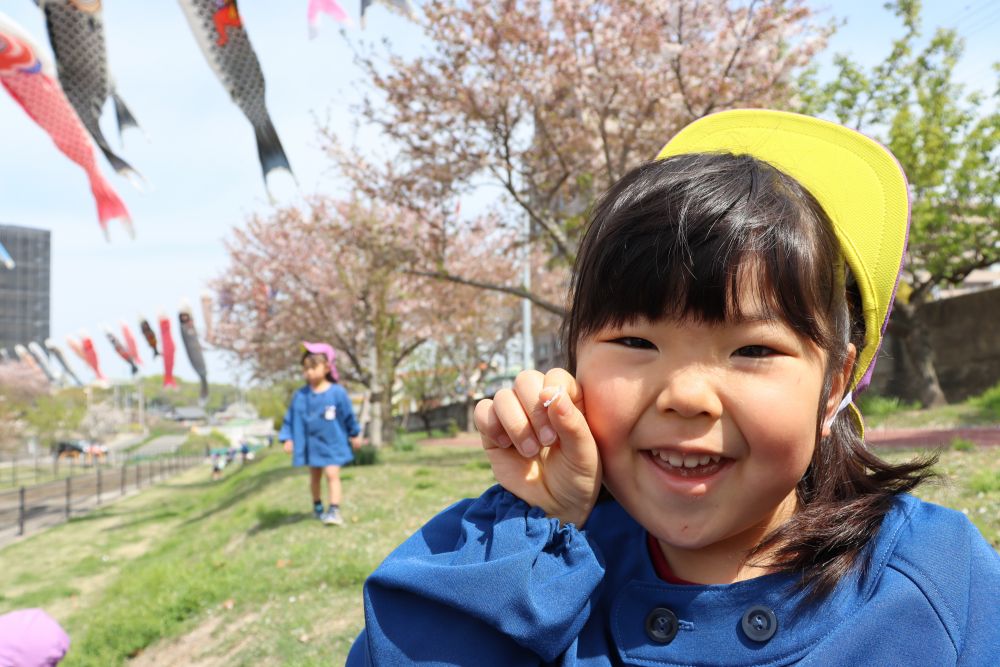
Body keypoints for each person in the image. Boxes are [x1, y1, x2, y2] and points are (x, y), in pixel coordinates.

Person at [347, 110, 1000, 665]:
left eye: (752, 349)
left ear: (834, 386)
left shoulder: (940, 577)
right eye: (636, 342)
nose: (687, 395)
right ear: (571, 362)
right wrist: (534, 522)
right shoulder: (533, 574)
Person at [279, 341, 361, 526]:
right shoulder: (300, 395)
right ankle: (317, 506)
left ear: (326, 367)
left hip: (333, 442)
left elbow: (348, 415)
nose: (309, 372)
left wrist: (354, 434)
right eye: (305, 369)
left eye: (313, 367)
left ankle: (334, 510)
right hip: (311, 445)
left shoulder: (337, 393)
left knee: (332, 474)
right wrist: (287, 438)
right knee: (314, 476)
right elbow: (290, 418)